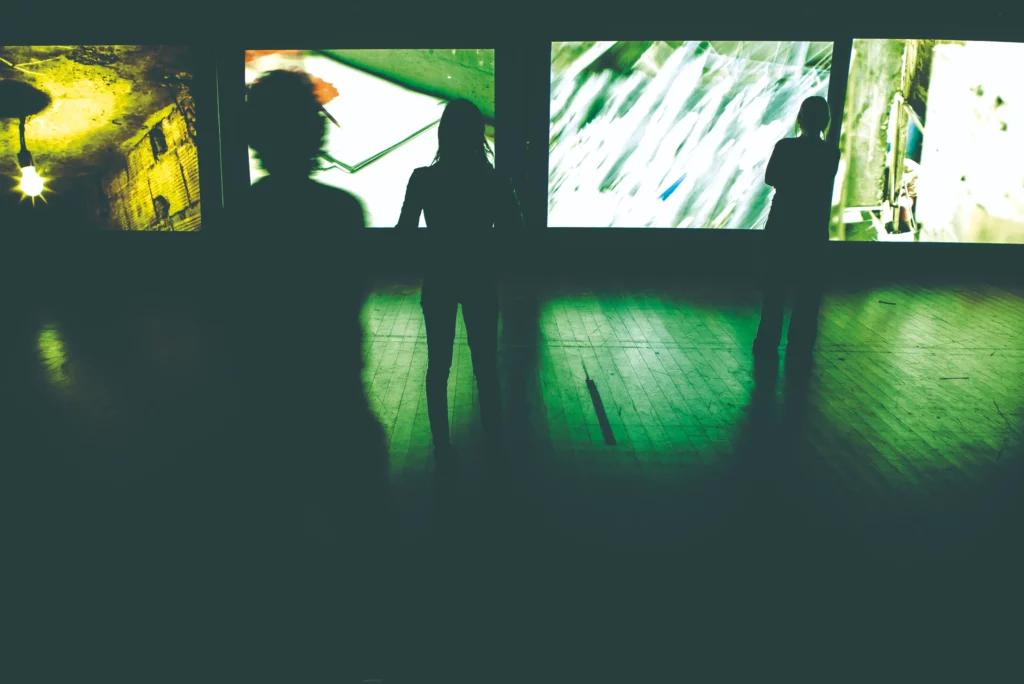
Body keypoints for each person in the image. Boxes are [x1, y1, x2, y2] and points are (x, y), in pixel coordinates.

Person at [396, 99, 524, 461]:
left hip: (438, 279)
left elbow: (403, 234)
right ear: (478, 135)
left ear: (443, 133)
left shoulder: (422, 179)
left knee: (438, 365)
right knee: (485, 365)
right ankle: (494, 444)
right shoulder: (497, 181)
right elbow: (517, 235)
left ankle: (441, 446)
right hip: (479, 279)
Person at [753, 95, 840, 356]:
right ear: (826, 122)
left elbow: (770, 178)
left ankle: (768, 341)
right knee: (809, 289)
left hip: (782, 225)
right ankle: (801, 344)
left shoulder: (785, 147)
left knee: (775, 288)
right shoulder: (830, 153)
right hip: (812, 229)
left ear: (800, 118)